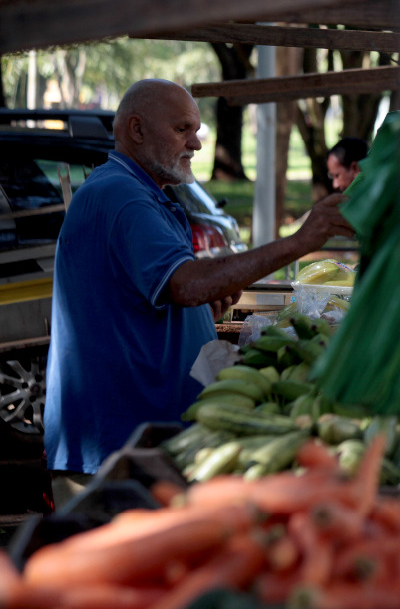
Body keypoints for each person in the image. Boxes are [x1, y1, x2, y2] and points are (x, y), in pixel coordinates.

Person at [45, 79, 354, 504]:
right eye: (182, 130)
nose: (196, 144)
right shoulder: (123, 195)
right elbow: (188, 285)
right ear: (137, 130)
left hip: (143, 443)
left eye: (196, 130)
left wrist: (201, 311)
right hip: (116, 449)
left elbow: (166, 296)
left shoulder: (146, 195)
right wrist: (300, 242)